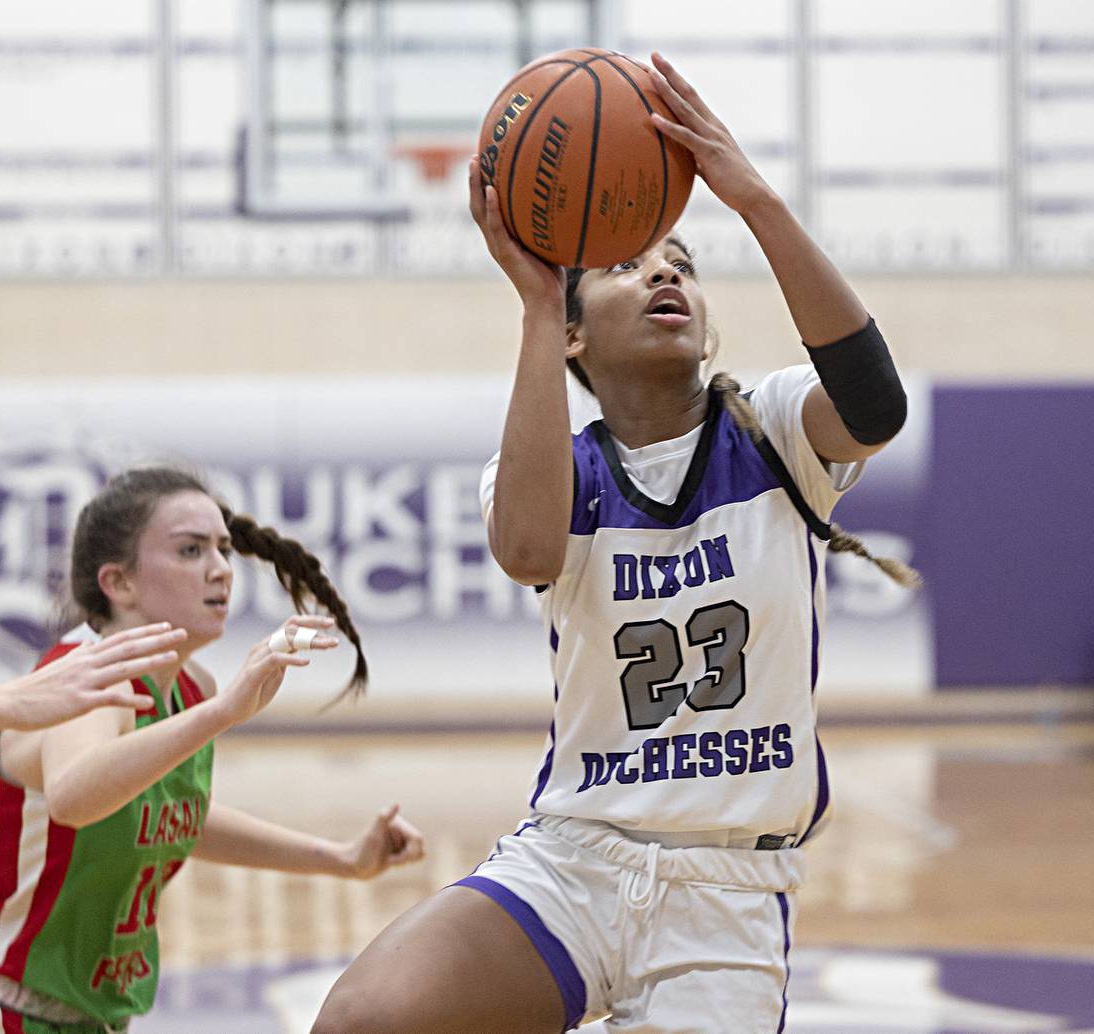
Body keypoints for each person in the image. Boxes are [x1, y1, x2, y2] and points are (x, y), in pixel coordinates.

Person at [312, 52, 913, 1034]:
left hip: (725, 888)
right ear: (579, 336)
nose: (666, 269)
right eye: (629, 263)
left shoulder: (772, 429)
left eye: (680, 260)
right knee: (365, 1020)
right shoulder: (560, 462)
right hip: (575, 857)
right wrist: (537, 304)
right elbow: (528, 547)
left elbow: (876, 403)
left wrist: (750, 194)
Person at [0, 467, 425, 1033]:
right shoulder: (87, 680)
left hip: (89, 1020)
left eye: (224, 549)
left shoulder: (189, 689)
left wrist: (342, 858)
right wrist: (224, 713)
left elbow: (171, 814)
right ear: (119, 583)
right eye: (189, 550)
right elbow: (76, 795)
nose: (220, 570)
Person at [0, 623, 186, 762]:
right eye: (190, 550)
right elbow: (72, 801)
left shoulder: (195, 683)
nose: (220, 571)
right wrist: (12, 702)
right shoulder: (105, 683)